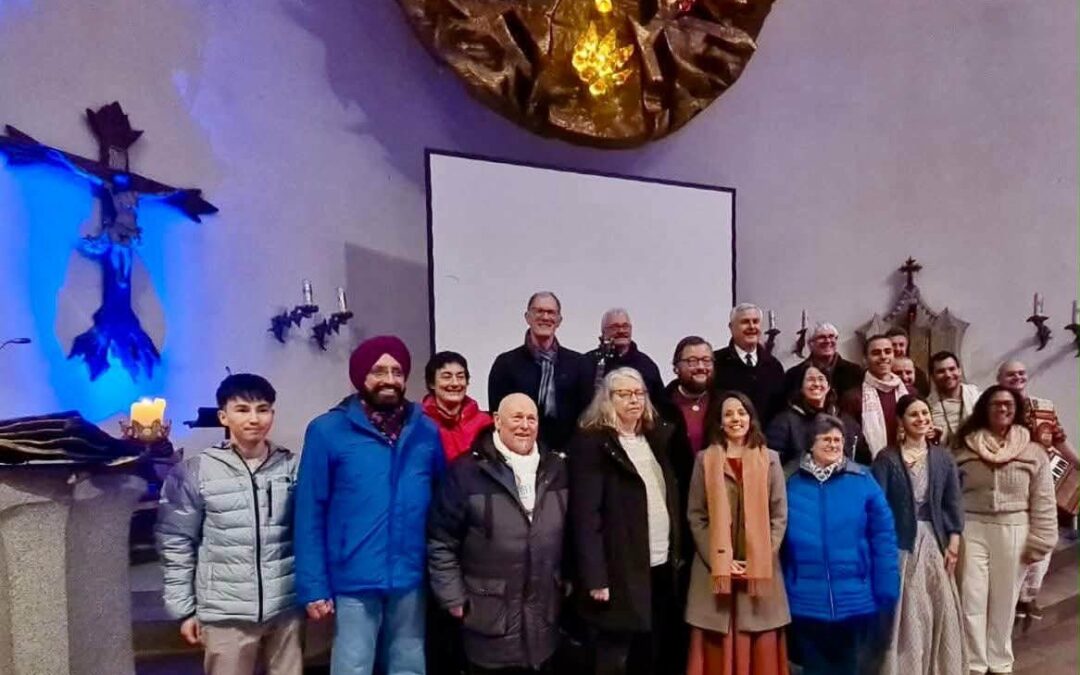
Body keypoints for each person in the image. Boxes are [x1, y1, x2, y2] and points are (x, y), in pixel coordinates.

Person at [294, 335, 446, 675]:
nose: (389, 379)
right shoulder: (327, 431)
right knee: (353, 665)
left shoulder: (426, 432)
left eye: (397, 371)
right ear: (360, 377)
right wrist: (313, 585)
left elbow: (442, 503)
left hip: (410, 576)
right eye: (378, 371)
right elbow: (309, 513)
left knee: (409, 664)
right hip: (353, 577)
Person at [157, 374, 302, 675]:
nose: (254, 418)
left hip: (286, 607)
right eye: (242, 409)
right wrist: (185, 610)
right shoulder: (196, 471)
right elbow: (175, 541)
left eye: (263, 409)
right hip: (225, 613)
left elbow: (308, 531)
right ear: (224, 416)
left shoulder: (291, 466)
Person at [428, 393, 568, 675]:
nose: (524, 425)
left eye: (531, 418)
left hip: (544, 619)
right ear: (496, 421)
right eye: (516, 417)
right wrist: (453, 598)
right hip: (487, 617)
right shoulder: (466, 473)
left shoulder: (557, 469)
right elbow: (441, 541)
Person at [569, 367, 682, 675]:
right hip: (618, 570)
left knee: (651, 653)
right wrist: (595, 577)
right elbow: (585, 516)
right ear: (606, 399)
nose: (634, 400)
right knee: (615, 656)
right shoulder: (592, 444)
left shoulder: (654, 439)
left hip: (658, 563)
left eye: (639, 393)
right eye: (624, 394)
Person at [782, 415, 899, 675]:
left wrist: (887, 587)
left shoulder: (863, 480)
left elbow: (884, 538)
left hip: (854, 597)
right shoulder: (791, 483)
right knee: (813, 667)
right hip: (805, 598)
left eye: (838, 440)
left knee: (849, 666)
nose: (834, 444)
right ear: (810, 444)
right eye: (826, 439)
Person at [953, 386, 1058, 675]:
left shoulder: (1033, 451)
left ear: (1017, 410)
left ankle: (999, 662)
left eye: (1008, 405)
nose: (1002, 409)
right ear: (984, 408)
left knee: (1004, 599)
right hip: (971, 528)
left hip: (1014, 529)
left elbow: (1044, 500)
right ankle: (974, 663)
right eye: (996, 404)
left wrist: (1042, 539)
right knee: (971, 597)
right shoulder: (963, 447)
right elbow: (951, 494)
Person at [684, 391, 790, 675]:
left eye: (741, 412)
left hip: (760, 573)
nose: (736, 419)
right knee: (717, 650)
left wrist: (762, 556)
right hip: (715, 576)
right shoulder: (704, 460)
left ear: (751, 418)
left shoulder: (770, 460)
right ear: (719, 422)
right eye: (729, 414)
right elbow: (697, 516)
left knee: (761, 650)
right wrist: (719, 560)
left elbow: (779, 516)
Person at [871, 395, 966, 675]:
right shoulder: (887, 458)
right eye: (914, 415)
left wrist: (954, 540)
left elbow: (953, 502)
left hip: (935, 541)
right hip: (902, 543)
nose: (922, 419)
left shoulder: (942, 458)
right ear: (901, 421)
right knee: (909, 608)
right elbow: (877, 506)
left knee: (939, 605)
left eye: (925, 413)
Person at [997, 359, 1079, 623]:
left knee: (1046, 540)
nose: (1017, 378)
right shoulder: (995, 409)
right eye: (1011, 375)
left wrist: (1079, 463)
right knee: (1017, 545)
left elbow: (1060, 440)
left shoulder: (1045, 407)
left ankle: (1029, 596)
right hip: (1011, 487)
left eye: (1021, 373)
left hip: (1045, 487)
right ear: (1000, 380)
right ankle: (1010, 598)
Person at [488, 292, 592, 449]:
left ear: (559, 320)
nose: (545, 317)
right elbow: (499, 416)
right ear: (527, 317)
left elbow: (587, 417)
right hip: (519, 455)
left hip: (569, 458)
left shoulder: (579, 364)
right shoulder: (505, 364)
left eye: (551, 312)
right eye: (539, 311)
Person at [766, 365, 870, 473]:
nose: (816, 384)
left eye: (821, 379)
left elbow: (863, 459)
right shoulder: (783, 422)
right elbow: (772, 464)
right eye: (810, 379)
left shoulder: (846, 421)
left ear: (828, 386)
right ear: (801, 387)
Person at [713, 304, 786, 425]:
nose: (752, 326)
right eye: (745, 322)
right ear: (731, 327)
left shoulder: (774, 366)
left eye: (756, 322)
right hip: (727, 439)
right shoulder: (716, 363)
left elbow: (780, 409)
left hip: (765, 440)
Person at [422, 351, 493, 462]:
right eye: (447, 377)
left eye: (460, 377)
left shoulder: (484, 423)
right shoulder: (420, 422)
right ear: (431, 383)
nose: (455, 383)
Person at [584, 308, 665, 404]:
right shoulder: (587, 362)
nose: (621, 331)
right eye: (614, 327)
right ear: (603, 332)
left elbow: (660, 404)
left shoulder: (646, 365)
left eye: (625, 326)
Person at [782, 322, 864, 414]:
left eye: (831, 337)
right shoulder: (794, 375)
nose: (828, 341)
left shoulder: (855, 372)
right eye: (821, 337)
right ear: (810, 344)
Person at [859, 334, 909, 458]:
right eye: (876, 353)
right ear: (865, 358)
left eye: (887, 352)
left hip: (908, 462)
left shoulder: (910, 393)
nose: (883, 357)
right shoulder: (855, 397)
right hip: (871, 465)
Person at [926, 351, 980, 448]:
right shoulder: (927, 406)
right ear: (932, 376)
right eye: (941, 371)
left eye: (952, 369)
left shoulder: (977, 397)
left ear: (959, 370)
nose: (948, 375)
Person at [884, 327, 930, 396]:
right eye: (893, 345)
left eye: (901, 345)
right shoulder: (879, 372)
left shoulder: (919, 375)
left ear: (907, 346)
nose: (898, 349)